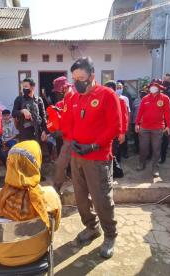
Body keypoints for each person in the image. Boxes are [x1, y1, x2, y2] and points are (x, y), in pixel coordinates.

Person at [66, 57, 121, 258]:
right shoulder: (74, 97)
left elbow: (115, 126)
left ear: (92, 76)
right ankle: (92, 227)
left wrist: (94, 145)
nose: (77, 82)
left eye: (81, 77)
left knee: (101, 199)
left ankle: (110, 235)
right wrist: (72, 141)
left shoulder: (107, 95)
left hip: (98, 157)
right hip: (77, 156)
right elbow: (70, 123)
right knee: (81, 198)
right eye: (74, 78)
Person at [0, 140, 61, 266]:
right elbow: (54, 228)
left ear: (9, 164)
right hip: (38, 253)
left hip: (2, 258)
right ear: (37, 164)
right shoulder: (50, 197)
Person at [135, 81, 170, 177]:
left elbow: (168, 113)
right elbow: (140, 112)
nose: (153, 88)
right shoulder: (145, 98)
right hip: (144, 127)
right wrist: (137, 124)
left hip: (158, 128)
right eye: (151, 86)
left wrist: (168, 126)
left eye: (155, 86)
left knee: (156, 149)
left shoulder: (165, 98)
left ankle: (155, 167)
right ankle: (141, 163)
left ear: (159, 88)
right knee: (143, 147)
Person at [52, 76, 75, 193]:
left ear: (65, 88)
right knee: (62, 164)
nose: (58, 94)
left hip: (74, 139)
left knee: (64, 164)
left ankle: (57, 188)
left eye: (58, 91)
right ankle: (57, 188)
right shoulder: (65, 100)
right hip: (67, 137)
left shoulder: (76, 98)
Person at [12, 78, 48, 142]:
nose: (24, 89)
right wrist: (22, 111)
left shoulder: (38, 100)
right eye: (23, 87)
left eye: (26, 86)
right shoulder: (19, 99)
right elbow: (14, 113)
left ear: (32, 87)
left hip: (37, 133)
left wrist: (45, 131)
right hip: (24, 133)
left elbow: (43, 117)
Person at [105, 80, 129, 178]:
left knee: (112, 153)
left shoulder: (121, 101)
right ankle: (110, 171)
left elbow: (124, 118)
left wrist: (122, 133)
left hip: (115, 133)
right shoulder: (102, 101)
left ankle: (113, 172)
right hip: (104, 133)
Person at [116, 81, 131, 159]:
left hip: (123, 122)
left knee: (123, 140)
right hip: (115, 123)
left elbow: (128, 111)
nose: (119, 89)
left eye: (120, 88)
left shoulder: (124, 99)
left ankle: (124, 153)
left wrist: (127, 124)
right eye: (117, 88)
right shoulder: (110, 98)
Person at [131, 86, 148, 154]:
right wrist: (131, 122)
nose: (143, 94)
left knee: (145, 138)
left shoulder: (149, 100)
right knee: (136, 137)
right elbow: (132, 111)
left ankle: (144, 151)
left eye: (145, 93)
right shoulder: (136, 101)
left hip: (145, 123)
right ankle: (137, 149)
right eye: (142, 92)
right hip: (136, 122)